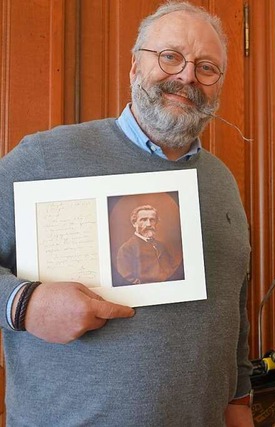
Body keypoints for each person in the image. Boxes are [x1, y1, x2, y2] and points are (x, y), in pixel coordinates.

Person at [0, 2, 253, 426]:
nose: (187, 76)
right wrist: (24, 304)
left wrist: (239, 404)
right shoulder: (45, 158)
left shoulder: (221, 182)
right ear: (135, 66)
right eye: (170, 56)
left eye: (206, 67)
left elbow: (234, 313)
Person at [116, 204, 184, 285]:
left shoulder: (160, 246)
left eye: (152, 220)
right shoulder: (126, 249)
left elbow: (172, 269)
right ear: (134, 223)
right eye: (143, 220)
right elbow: (127, 279)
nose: (148, 224)